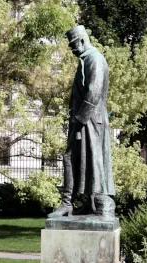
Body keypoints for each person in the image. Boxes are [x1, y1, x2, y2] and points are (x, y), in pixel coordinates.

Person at [48, 25, 115, 219]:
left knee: (82, 159)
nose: (71, 49)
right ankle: (80, 202)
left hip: (90, 121)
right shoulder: (86, 59)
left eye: (73, 45)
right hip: (85, 120)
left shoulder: (94, 59)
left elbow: (94, 93)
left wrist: (79, 119)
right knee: (79, 159)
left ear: (82, 40)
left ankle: (74, 203)